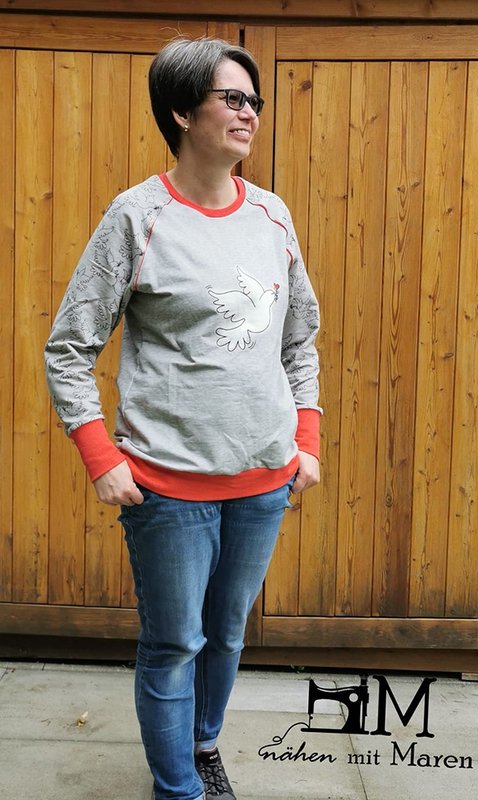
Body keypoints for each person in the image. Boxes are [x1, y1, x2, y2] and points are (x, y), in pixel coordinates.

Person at [44, 37, 321, 800]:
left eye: (253, 100)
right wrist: (101, 458)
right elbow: (68, 347)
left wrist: (305, 439)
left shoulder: (271, 215)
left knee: (225, 636)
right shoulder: (138, 217)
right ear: (180, 111)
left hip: (264, 480)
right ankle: (178, 790)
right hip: (166, 488)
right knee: (173, 644)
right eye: (231, 98)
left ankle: (200, 748)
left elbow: (298, 339)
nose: (249, 112)